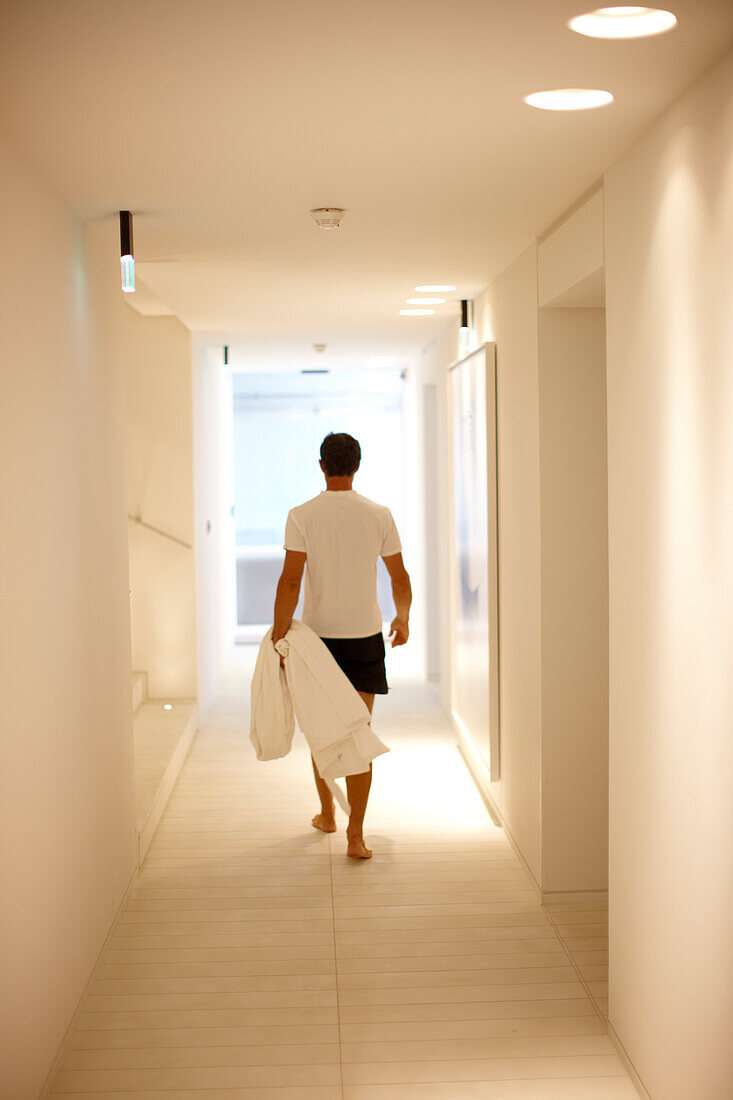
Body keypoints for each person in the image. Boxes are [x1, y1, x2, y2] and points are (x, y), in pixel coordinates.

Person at [272, 432, 412, 859]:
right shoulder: (379, 514)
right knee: (358, 734)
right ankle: (356, 834)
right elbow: (399, 578)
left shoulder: (302, 515)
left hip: (318, 641)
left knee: (322, 733)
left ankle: (327, 814)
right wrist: (402, 617)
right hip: (365, 637)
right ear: (357, 465)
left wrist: (279, 634)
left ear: (321, 464)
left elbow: (292, 580)